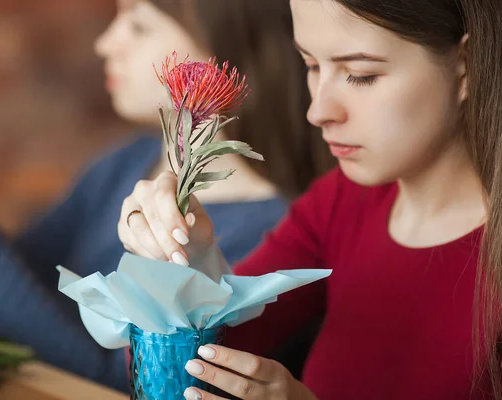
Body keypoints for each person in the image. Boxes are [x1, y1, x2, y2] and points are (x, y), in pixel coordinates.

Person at [0, 0, 330, 392]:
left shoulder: (279, 231)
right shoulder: (128, 162)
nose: (106, 42)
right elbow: (2, 291)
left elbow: (127, 381)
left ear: (227, 49)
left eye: (139, 26)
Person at [118, 0, 502, 398]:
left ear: (466, 63)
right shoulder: (339, 203)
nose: (318, 110)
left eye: (360, 75)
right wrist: (185, 256)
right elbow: (168, 371)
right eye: (312, 66)